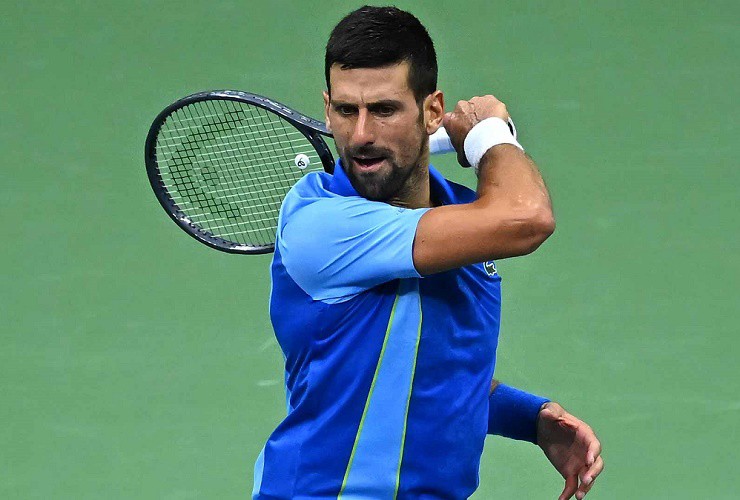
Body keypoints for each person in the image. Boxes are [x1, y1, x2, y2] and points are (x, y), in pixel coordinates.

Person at [253, 6, 603, 499]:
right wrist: (489, 135)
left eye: (384, 110)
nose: (361, 135)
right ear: (326, 108)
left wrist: (530, 418)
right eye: (346, 111)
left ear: (432, 111)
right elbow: (529, 217)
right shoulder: (320, 225)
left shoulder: (463, 218)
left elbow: (426, 371)